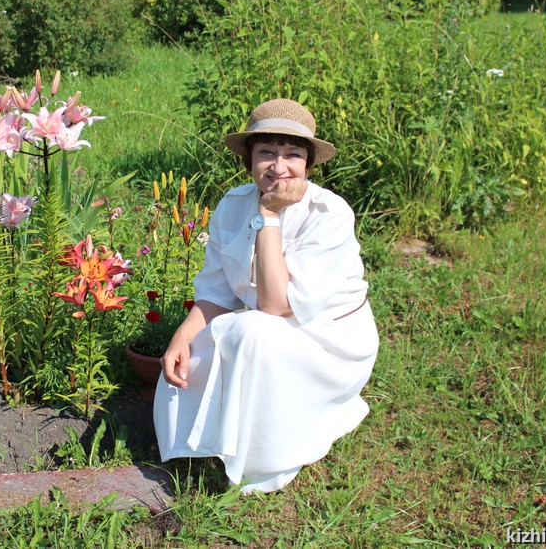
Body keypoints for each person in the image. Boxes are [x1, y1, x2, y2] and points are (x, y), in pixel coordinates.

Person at [153, 98, 379, 493]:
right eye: (266, 153)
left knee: (248, 332)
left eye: (292, 154)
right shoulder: (233, 204)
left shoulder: (330, 213)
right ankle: (196, 445)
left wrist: (270, 216)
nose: (278, 167)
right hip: (270, 330)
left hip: (329, 343)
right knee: (201, 343)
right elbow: (216, 293)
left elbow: (276, 306)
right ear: (249, 160)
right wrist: (181, 338)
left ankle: (262, 463)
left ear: (308, 165)